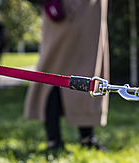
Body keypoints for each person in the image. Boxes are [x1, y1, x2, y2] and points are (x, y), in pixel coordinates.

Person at [24, 0, 109, 152]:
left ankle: (84, 137)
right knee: (53, 76)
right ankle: (55, 140)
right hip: (64, 13)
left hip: (89, 14)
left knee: (86, 72)